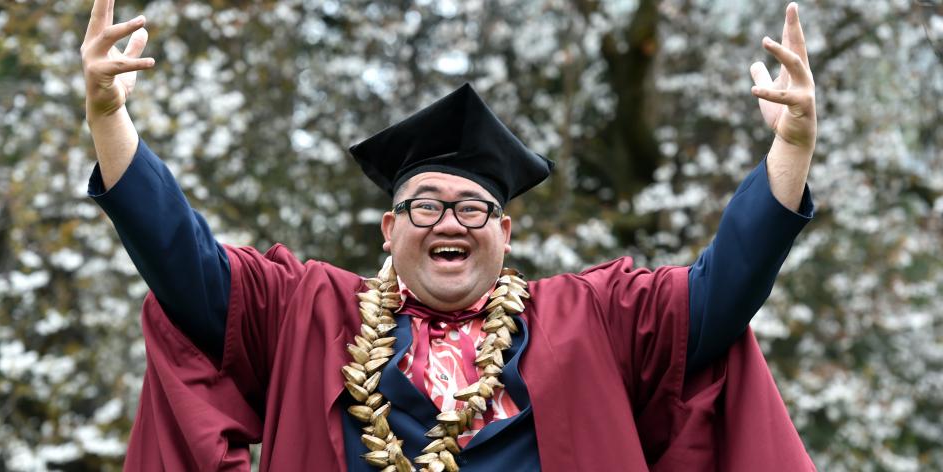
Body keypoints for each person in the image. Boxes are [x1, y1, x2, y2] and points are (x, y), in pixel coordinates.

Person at [81, 0, 818, 470]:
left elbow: (724, 292)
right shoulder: (308, 312)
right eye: (425, 205)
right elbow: (183, 265)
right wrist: (111, 119)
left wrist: (789, 151)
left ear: (503, 231)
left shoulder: (593, 317)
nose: (448, 223)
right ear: (388, 229)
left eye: (471, 208)